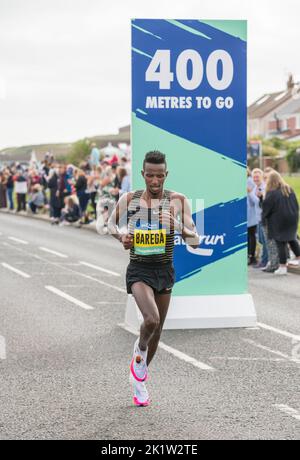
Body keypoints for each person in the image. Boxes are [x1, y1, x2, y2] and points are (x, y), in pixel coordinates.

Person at [108, 151, 200, 407]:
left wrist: (178, 226)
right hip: (139, 269)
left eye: (160, 176)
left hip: (164, 270)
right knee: (151, 319)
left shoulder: (178, 201)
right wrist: (121, 236)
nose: (155, 181)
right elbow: (110, 224)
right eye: (150, 175)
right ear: (143, 175)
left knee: (157, 330)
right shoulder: (130, 199)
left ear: (166, 175)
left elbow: (196, 241)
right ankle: (139, 352)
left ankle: (139, 378)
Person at [263, 171, 300, 275]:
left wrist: (263, 219)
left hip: (279, 221)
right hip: (292, 218)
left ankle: (283, 267)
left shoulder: (271, 193)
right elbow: (296, 205)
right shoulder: (288, 189)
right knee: (292, 239)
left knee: (280, 242)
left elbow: (266, 209)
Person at [251, 168, 268, 268]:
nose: (256, 179)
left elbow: (258, 202)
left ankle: (264, 261)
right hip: (258, 219)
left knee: (265, 240)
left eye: (257, 177)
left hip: (264, 218)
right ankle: (265, 259)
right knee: (261, 240)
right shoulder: (255, 188)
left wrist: (249, 194)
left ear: (262, 177)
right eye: (254, 177)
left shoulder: (264, 187)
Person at [247, 169, 260, 265]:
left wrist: (250, 192)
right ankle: (249, 255)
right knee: (248, 235)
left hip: (251, 212)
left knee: (251, 235)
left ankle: (252, 256)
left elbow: (253, 198)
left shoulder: (249, 180)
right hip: (245, 213)